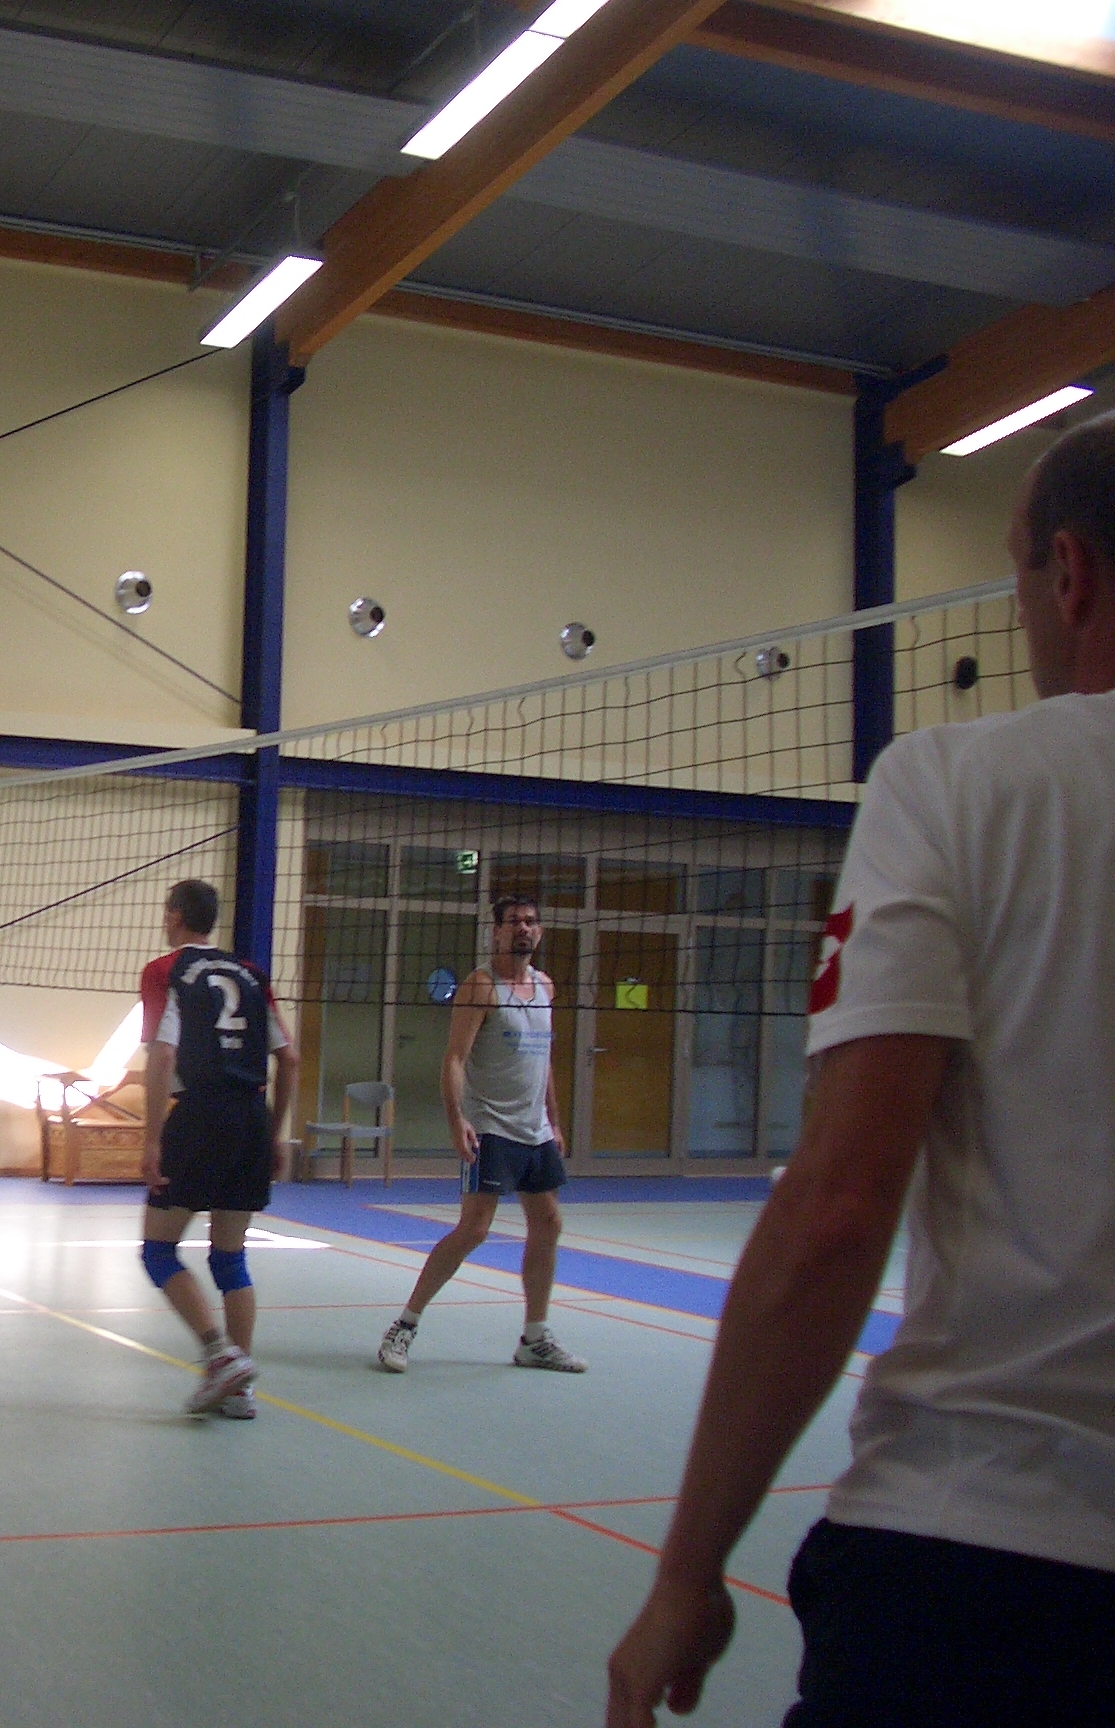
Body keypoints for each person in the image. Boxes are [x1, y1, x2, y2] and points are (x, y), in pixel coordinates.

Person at [606, 416, 1115, 1728]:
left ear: (1070, 573)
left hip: (985, 1554)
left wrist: (687, 1573)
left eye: (1015, 575)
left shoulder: (959, 785)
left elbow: (839, 1206)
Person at [375, 895, 585, 1374]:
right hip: (491, 1127)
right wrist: (457, 1120)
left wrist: (554, 1120)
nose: (523, 929)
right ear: (497, 931)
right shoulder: (480, 986)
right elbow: (454, 1059)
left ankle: (535, 1338)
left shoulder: (545, 987)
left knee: (548, 1223)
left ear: (540, 931)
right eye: (514, 922)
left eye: (531, 922)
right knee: (474, 1229)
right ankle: (404, 1326)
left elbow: (544, 1061)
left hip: (534, 1131)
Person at [137, 879, 298, 1419]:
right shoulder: (251, 974)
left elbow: (163, 1055)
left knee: (158, 1250)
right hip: (251, 1116)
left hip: (200, 1116)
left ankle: (219, 1354)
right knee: (230, 1256)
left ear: (175, 916)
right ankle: (239, 1388)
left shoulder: (166, 971)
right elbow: (290, 1059)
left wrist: (152, 1139)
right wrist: (274, 1134)